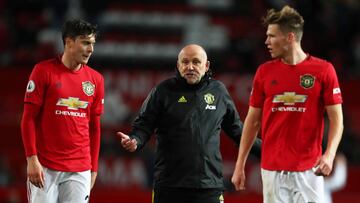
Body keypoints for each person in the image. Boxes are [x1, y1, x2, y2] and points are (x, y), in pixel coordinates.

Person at [117, 44, 261, 203]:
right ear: (178, 65)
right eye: (185, 62)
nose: (190, 66)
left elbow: (238, 132)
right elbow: (143, 126)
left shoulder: (219, 91)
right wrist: (135, 140)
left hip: (208, 186)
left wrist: (266, 150)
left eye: (196, 62)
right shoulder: (162, 91)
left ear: (206, 66)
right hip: (169, 186)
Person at [231, 5, 343, 203]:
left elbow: (337, 119)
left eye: (272, 36)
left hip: (310, 170)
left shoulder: (323, 70)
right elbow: (252, 121)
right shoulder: (264, 73)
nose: (267, 41)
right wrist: (240, 164)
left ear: (290, 37)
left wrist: (330, 154)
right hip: (272, 170)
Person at [21, 19, 104, 203]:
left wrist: (94, 168)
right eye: (85, 43)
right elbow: (28, 119)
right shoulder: (42, 71)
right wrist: (31, 159)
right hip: (45, 166)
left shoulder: (96, 79)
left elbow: (95, 128)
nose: (90, 49)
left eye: (92, 44)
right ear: (68, 42)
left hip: (80, 167)